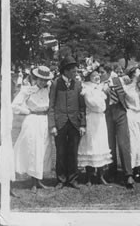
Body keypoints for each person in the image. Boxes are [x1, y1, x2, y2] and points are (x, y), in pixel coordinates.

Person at [12, 66, 53, 192]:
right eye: (40, 80)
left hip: (44, 121)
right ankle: (33, 182)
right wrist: (27, 110)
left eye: (45, 80)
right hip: (32, 120)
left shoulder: (49, 89)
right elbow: (14, 105)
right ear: (36, 79)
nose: (43, 82)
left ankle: (39, 180)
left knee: (43, 149)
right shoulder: (27, 90)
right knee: (33, 149)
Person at [48, 57, 86, 189]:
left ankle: (73, 179)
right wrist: (52, 125)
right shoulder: (55, 84)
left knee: (73, 152)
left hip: (75, 123)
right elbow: (51, 106)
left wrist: (82, 124)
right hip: (60, 123)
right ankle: (61, 179)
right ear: (66, 71)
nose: (76, 73)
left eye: (76, 71)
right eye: (73, 71)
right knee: (61, 152)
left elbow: (82, 107)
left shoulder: (78, 84)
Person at [100, 64, 134, 189]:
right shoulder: (98, 84)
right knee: (110, 145)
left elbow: (131, 86)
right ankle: (112, 171)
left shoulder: (119, 80)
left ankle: (128, 174)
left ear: (109, 72)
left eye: (102, 72)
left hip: (120, 112)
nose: (100, 75)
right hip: (106, 114)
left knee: (123, 143)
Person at [77, 68, 112, 186]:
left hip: (101, 120)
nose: (97, 77)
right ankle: (88, 176)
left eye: (98, 75)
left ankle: (100, 175)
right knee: (90, 145)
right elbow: (94, 104)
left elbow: (106, 105)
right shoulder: (86, 88)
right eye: (94, 75)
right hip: (91, 118)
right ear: (88, 77)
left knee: (101, 145)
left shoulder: (103, 87)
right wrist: (101, 105)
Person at [123, 66, 140, 182]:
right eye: (139, 72)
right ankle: (133, 170)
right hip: (131, 115)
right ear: (133, 73)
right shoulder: (126, 87)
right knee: (134, 143)